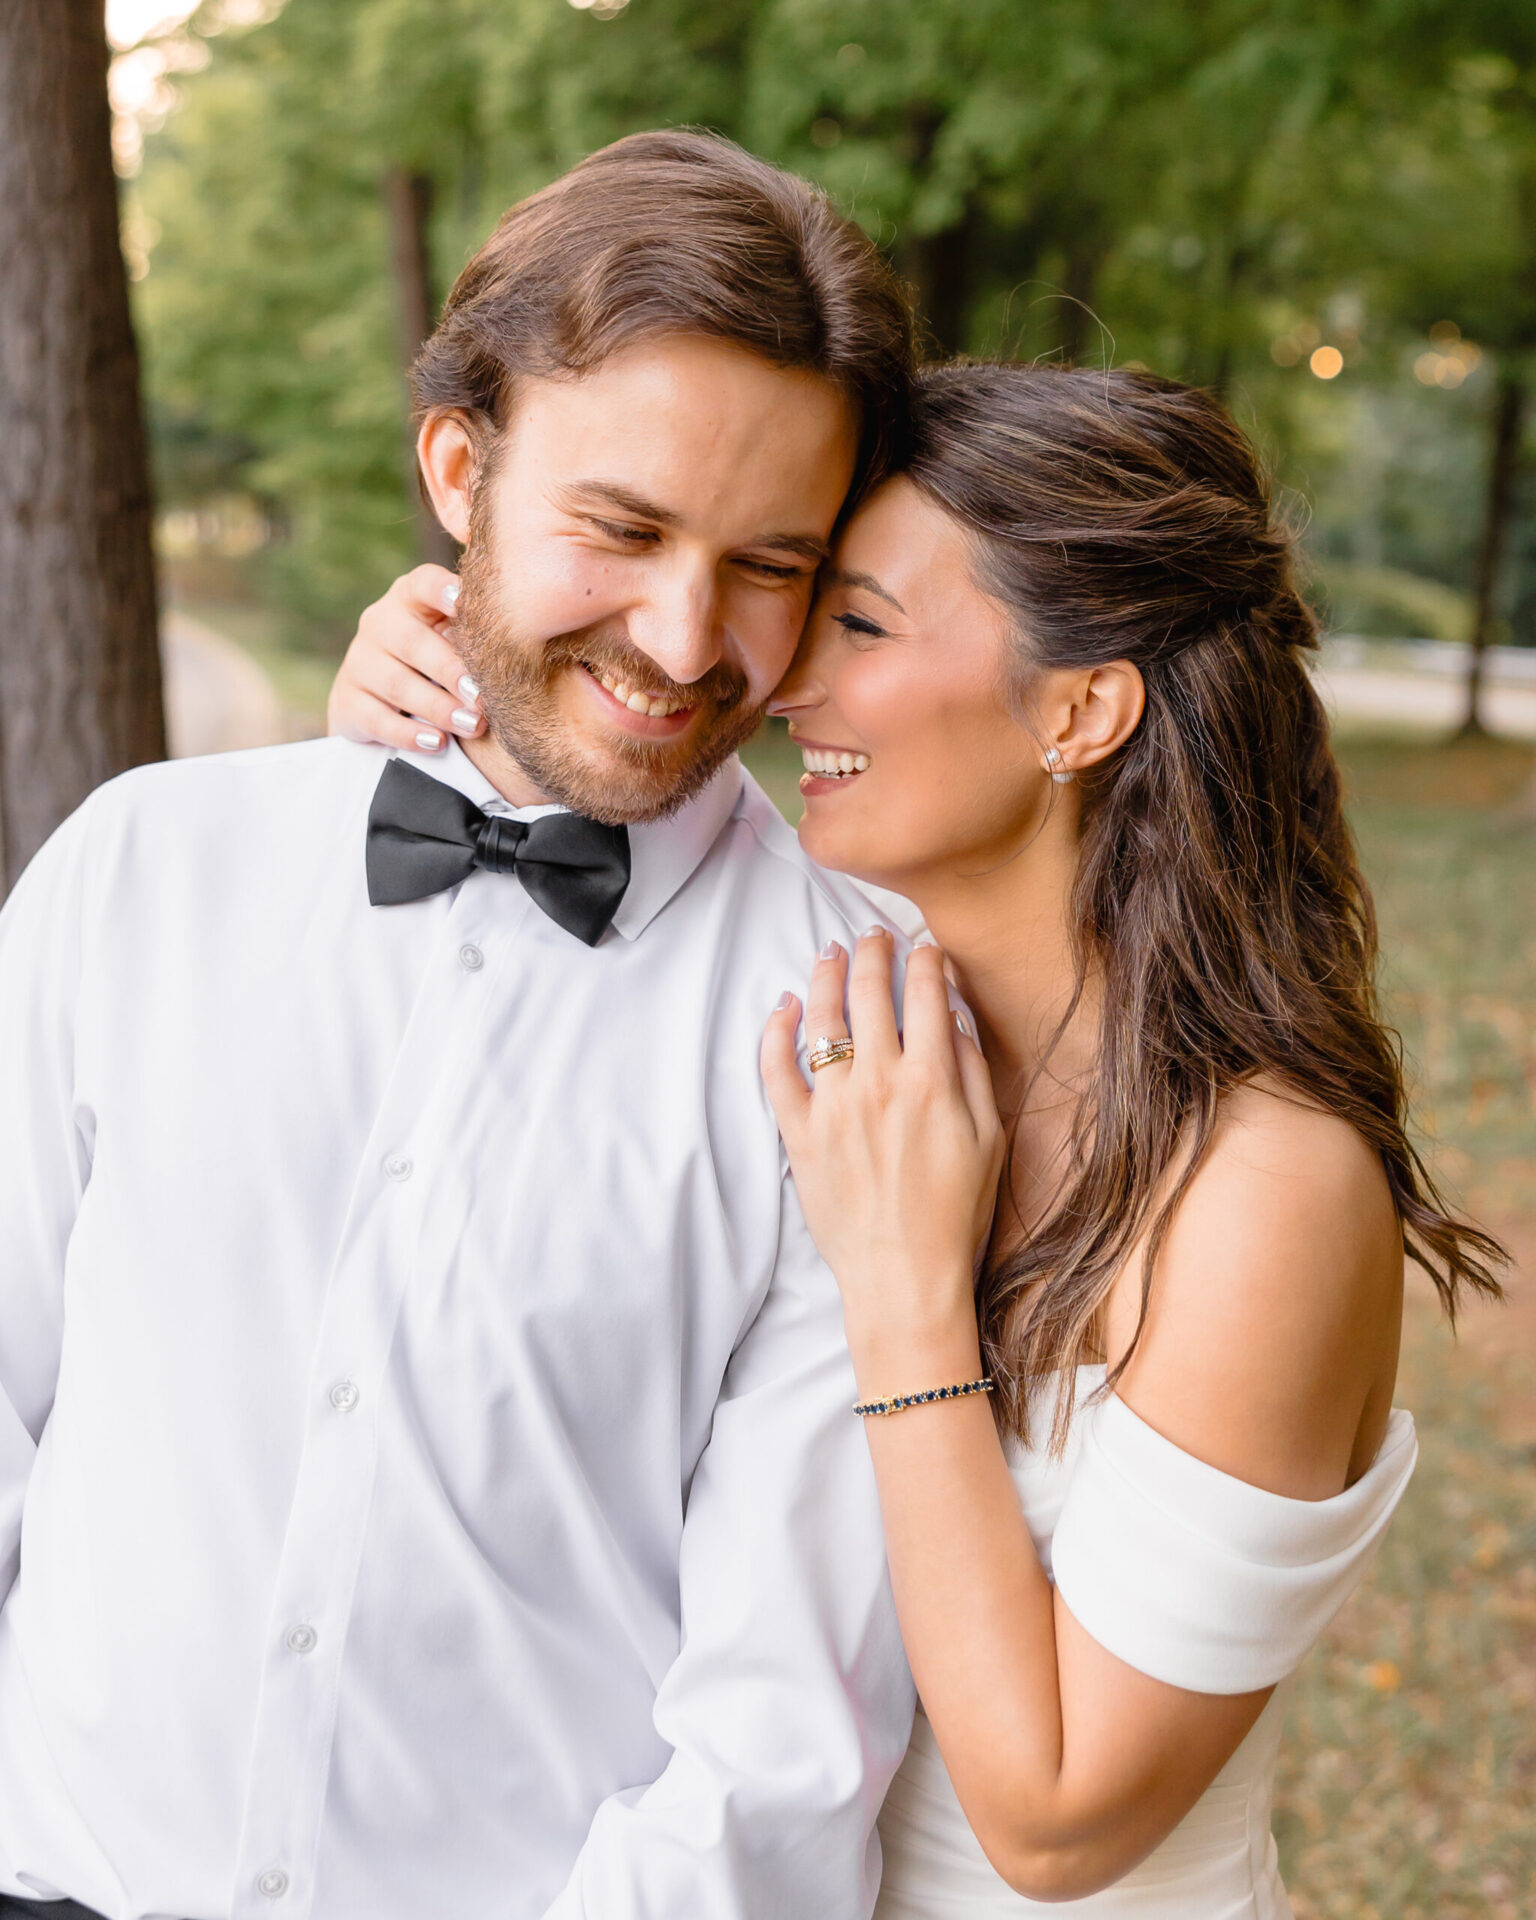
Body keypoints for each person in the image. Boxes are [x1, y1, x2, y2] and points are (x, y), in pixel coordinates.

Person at [333, 359, 1504, 1917]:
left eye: (861, 626)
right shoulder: (855, 1017)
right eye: (808, 607)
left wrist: (902, 1294)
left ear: (1081, 709)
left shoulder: (1262, 1192)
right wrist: (448, 689)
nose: (788, 677)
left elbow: (1062, 1819)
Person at [0, 131, 924, 1920]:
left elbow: (782, 1734)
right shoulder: (140, 871)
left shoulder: (851, 1026)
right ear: (457, 471)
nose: (682, 635)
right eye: (623, 526)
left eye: (768, 564)